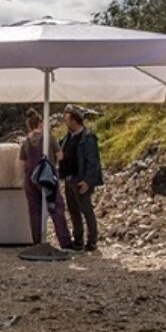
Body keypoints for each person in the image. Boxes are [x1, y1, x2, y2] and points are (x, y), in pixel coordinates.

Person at [19, 109, 73, 249]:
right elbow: (60, 155)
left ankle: (37, 242)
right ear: (40, 123)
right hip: (47, 177)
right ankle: (65, 243)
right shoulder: (49, 138)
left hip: (30, 179)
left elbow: (22, 164)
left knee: (34, 211)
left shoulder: (25, 142)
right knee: (57, 208)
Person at [59, 105, 104, 251]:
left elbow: (93, 161)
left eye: (67, 120)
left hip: (80, 179)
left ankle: (92, 241)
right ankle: (78, 240)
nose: (66, 123)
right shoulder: (68, 137)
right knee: (73, 211)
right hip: (69, 178)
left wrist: (88, 181)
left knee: (86, 210)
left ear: (74, 121)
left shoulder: (88, 138)